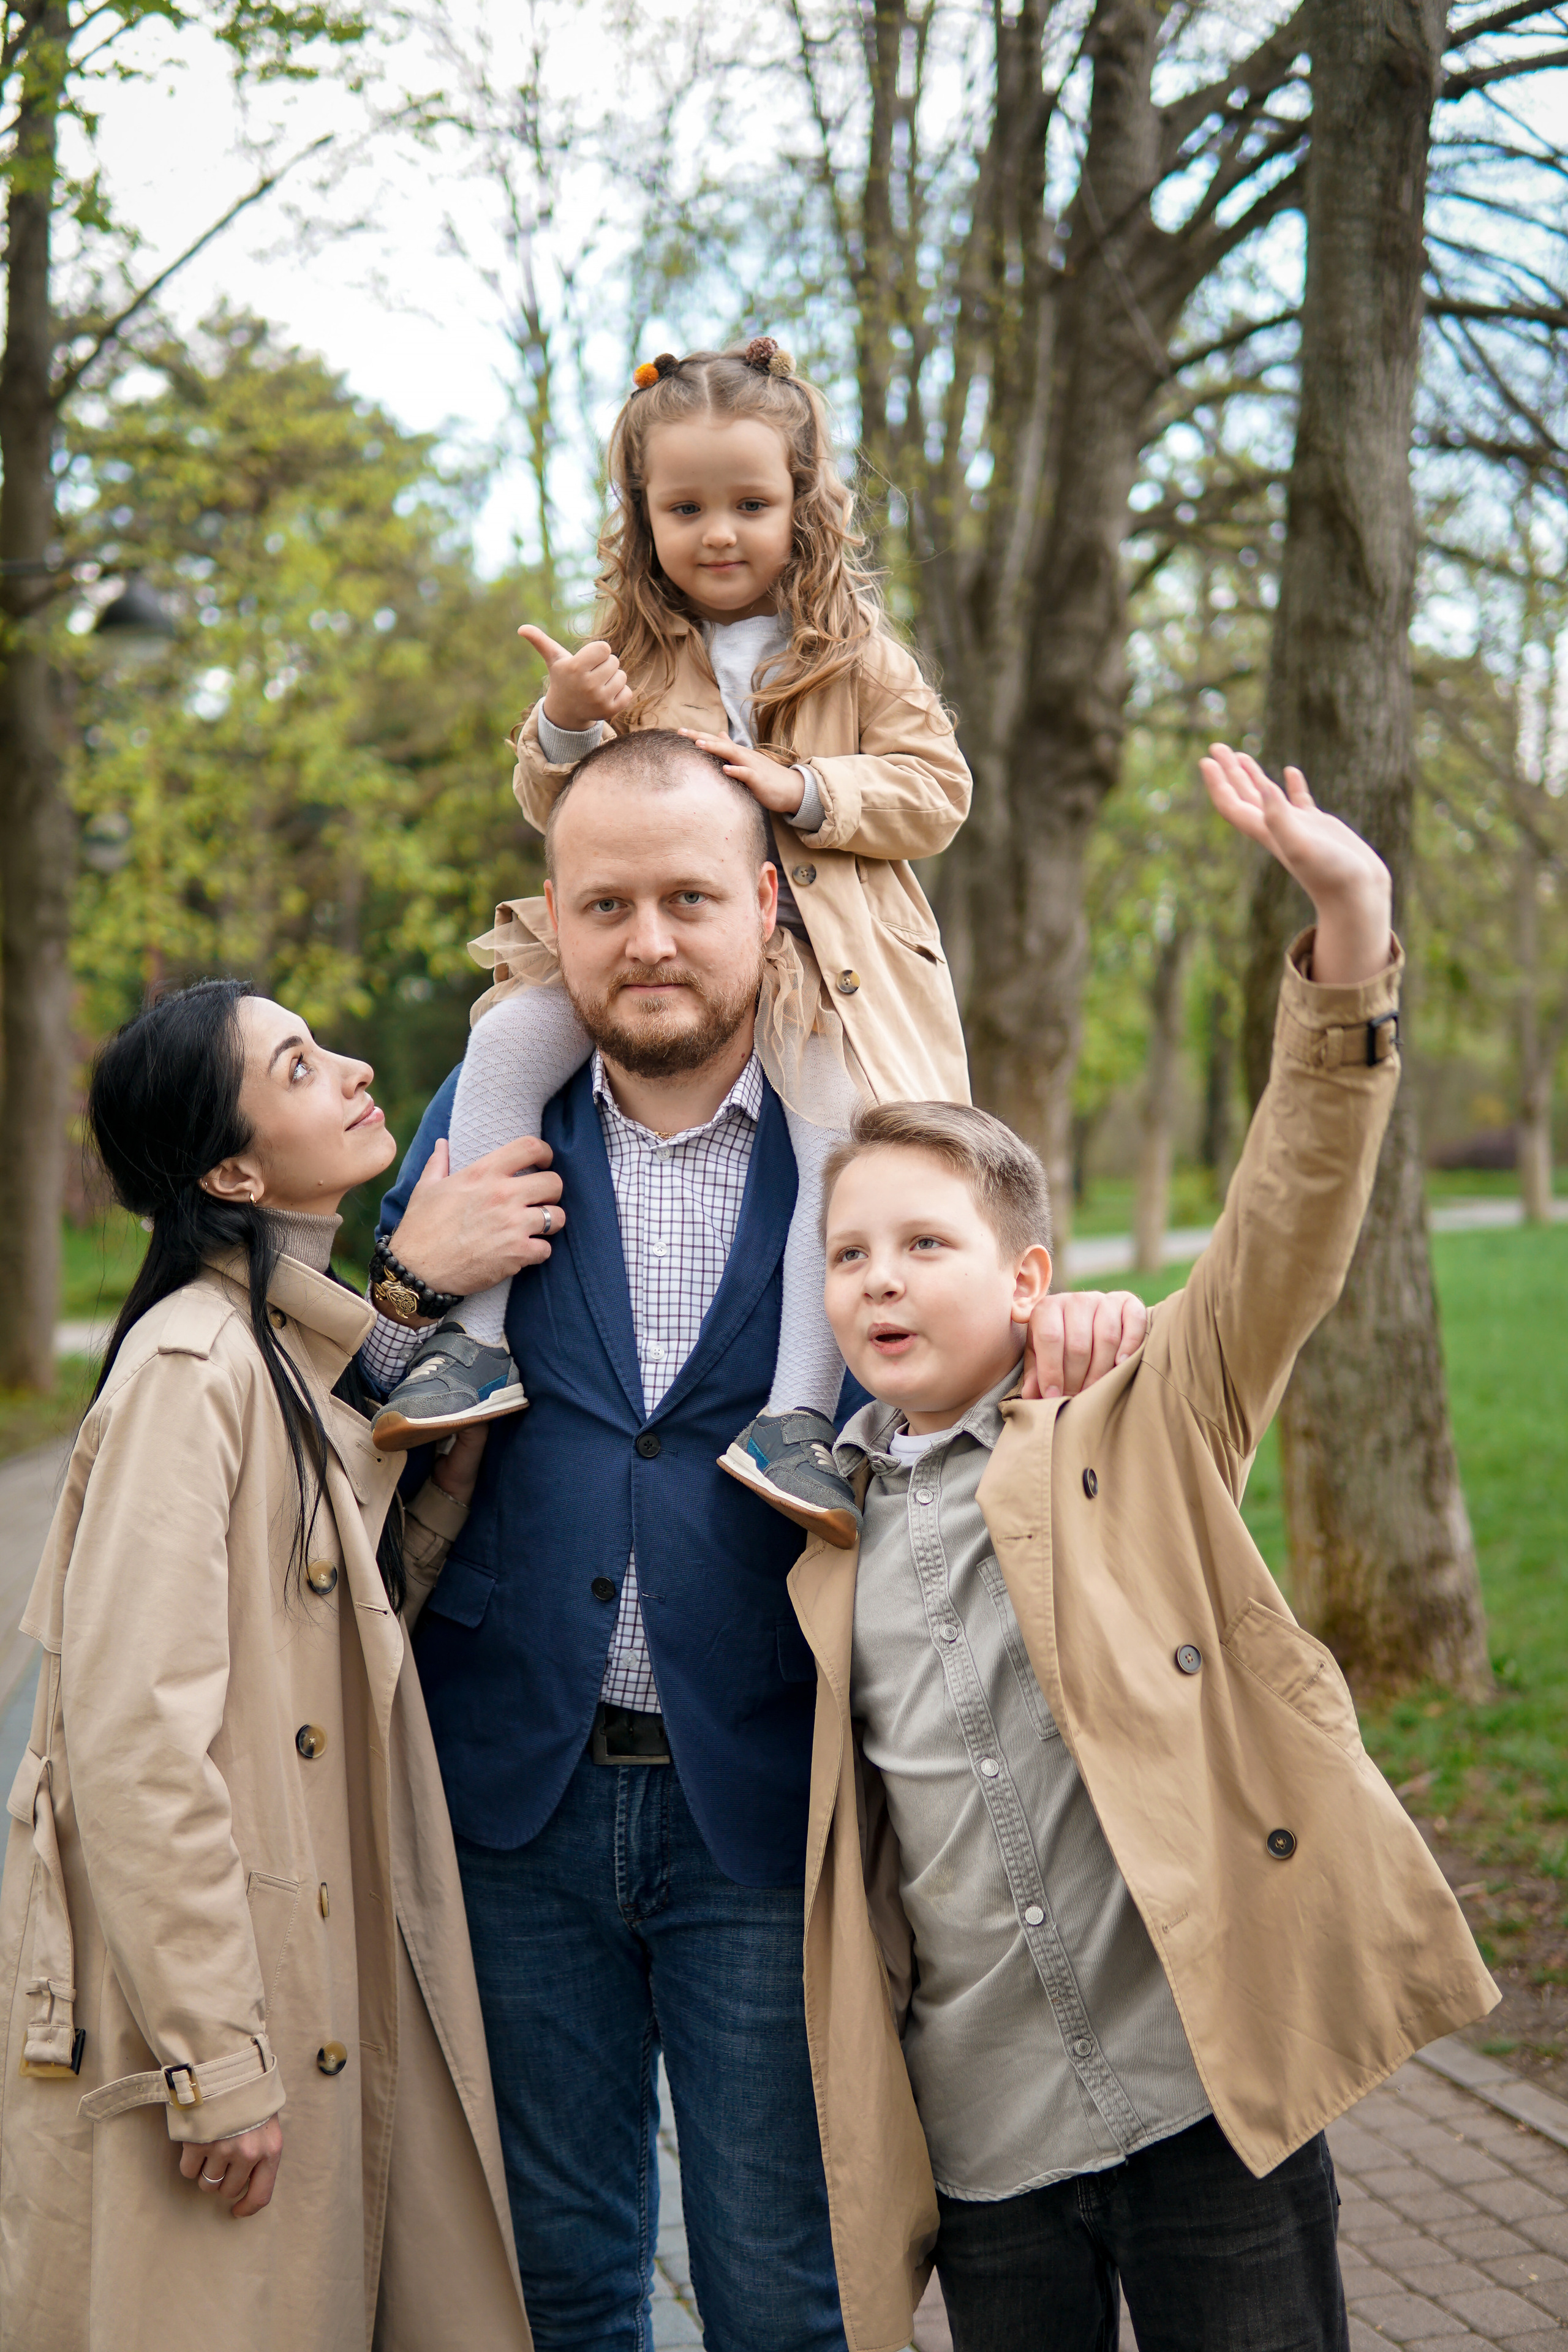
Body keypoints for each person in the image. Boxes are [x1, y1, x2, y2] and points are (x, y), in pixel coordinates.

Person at [360, 729, 1150, 2351]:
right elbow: (348, 1390)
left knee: (783, 2284)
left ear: (770, 906)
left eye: (690, 899)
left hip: (765, 1800)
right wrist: (408, 1285)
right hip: (511, 1793)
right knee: (556, 2277)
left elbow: (967, 1326)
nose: (648, 939)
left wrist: (1073, 1316)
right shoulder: (484, 1118)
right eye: (607, 904)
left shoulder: (857, 1153)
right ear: (557, 923)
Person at [790, 745, 1498, 2352]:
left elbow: (1289, 1218)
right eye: (848, 1255)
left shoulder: (1142, 1420)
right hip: (986, 2156)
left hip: (1206, 2116)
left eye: (925, 1244)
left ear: (1030, 1279)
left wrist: (1350, 917)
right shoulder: (813, 1532)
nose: (881, 1280)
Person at [369, 334, 970, 1551]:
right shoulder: (631, 651)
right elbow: (564, 817)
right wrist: (564, 725)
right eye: (683, 507)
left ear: (801, 504)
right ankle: (470, 1346)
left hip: (819, 968)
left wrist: (799, 786)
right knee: (502, 1046)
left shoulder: (856, 654)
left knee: (835, 1157)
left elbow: (935, 792)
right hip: (656, 950)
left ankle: (795, 1415)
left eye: (750, 503)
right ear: (642, 515)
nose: (718, 534)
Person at [0, 980, 527, 2352]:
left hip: (303, 1979)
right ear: (234, 1168)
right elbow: (133, 1741)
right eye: (299, 1066)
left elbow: (310, 1636)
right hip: (231, 2021)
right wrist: (214, 2060)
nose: (353, 1069)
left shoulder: (273, 1352)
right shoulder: (192, 1368)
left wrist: (437, 1477)